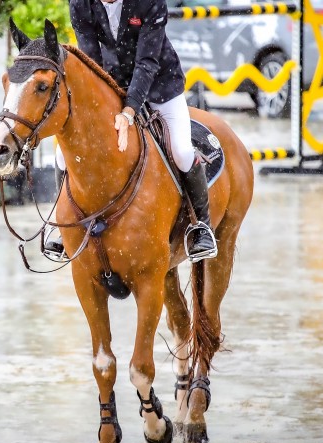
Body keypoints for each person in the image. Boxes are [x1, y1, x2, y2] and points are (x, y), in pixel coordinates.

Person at [45, 0, 217, 262]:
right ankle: (63, 225)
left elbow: (147, 61)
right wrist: (97, 106)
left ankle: (201, 227)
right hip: (113, 82)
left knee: (182, 152)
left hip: (160, 84)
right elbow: (90, 58)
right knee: (61, 154)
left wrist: (129, 111)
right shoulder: (81, 3)